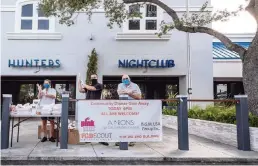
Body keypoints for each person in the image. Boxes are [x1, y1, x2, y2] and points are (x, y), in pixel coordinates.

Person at [78, 74, 109, 146]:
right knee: (89, 123)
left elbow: (92, 88)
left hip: (96, 107)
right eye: (91, 78)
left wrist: (84, 84)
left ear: (97, 78)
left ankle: (102, 139)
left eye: (94, 77)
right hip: (88, 107)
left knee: (98, 123)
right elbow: (80, 90)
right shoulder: (88, 86)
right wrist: (79, 82)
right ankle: (89, 138)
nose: (93, 79)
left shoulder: (99, 85)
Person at [116, 74, 142, 147]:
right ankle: (121, 139)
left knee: (132, 123)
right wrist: (130, 92)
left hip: (133, 108)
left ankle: (132, 140)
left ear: (129, 78)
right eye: (123, 79)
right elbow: (119, 93)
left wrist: (129, 94)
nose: (125, 80)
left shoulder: (135, 86)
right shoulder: (120, 85)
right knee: (122, 124)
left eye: (126, 78)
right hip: (123, 108)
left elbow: (139, 97)